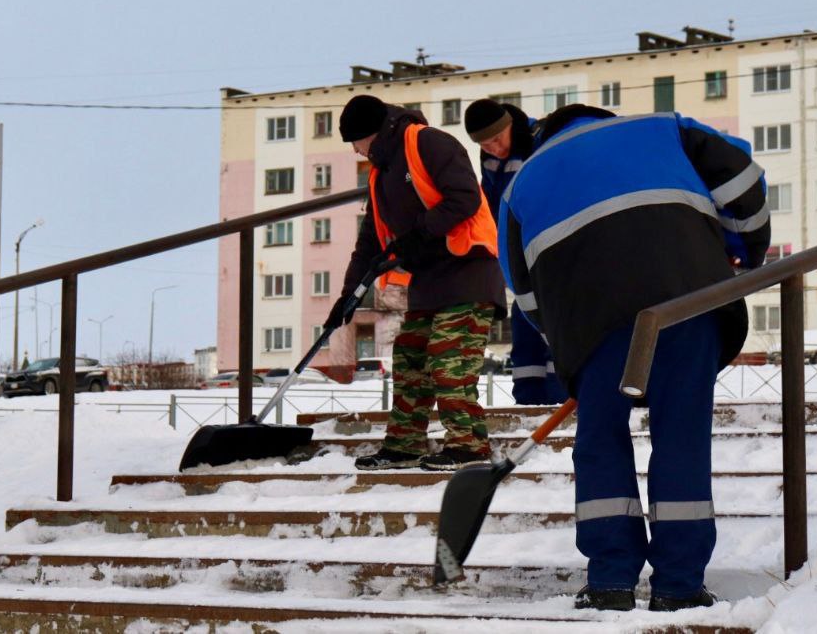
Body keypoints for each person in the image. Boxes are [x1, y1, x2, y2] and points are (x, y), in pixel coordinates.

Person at [497, 104, 769, 612]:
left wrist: (570, 342)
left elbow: (524, 292)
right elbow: (742, 176)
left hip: (592, 323)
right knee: (680, 435)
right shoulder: (661, 128)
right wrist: (745, 250)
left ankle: (610, 582)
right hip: (688, 299)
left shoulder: (521, 183)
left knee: (600, 442)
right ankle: (679, 586)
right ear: (604, 118)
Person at [326, 94, 507, 471]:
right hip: (429, 281)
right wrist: (346, 297)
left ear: (369, 135)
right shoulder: (381, 173)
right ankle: (404, 445)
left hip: (468, 269)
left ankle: (469, 446)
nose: (356, 152)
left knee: (449, 358)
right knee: (410, 359)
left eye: (355, 143)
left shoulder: (428, 142)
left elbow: (466, 198)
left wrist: (419, 234)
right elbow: (370, 243)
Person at [463, 98, 569, 406]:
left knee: (553, 320)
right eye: (484, 144)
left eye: (497, 139)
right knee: (524, 318)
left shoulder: (540, 143)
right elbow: (492, 204)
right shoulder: (490, 160)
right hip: (516, 252)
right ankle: (529, 396)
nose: (493, 148)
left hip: (550, 248)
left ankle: (560, 397)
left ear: (510, 125)